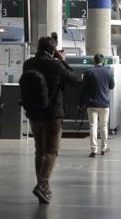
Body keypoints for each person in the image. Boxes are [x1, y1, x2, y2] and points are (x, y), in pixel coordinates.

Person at [21, 36, 81, 204]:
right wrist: (62, 61)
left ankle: (43, 187)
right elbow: (74, 80)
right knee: (51, 151)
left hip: (34, 114)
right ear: (53, 50)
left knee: (39, 151)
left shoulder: (28, 64)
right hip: (53, 115)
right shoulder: (55, 64)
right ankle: (42, 185)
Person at [80, 54, 115, 158]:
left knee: (93, 126)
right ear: (102, 61)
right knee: (104, 126)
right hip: (104, 103)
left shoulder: (88, 72)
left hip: (91, 104)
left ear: (94, 61)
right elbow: (112, 86)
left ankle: (93, 150)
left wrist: (80, 103)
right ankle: (104, 148)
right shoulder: (108, 71)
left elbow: (84, 89)